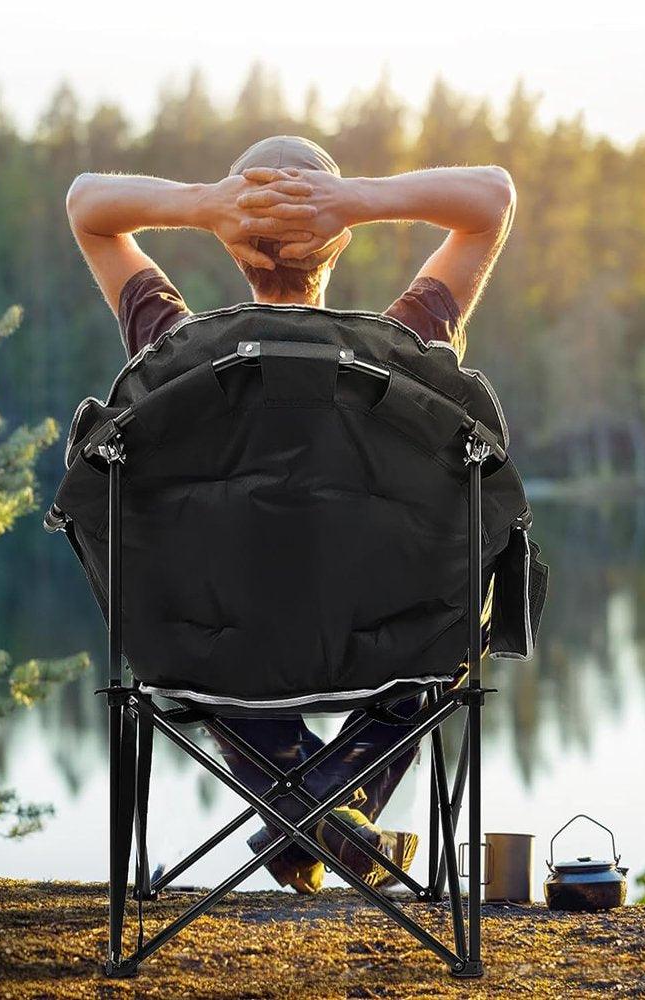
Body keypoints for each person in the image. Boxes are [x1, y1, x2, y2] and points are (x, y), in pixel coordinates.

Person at [66, 136, 515, 894]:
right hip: (387, 649)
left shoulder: (175, 358)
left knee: (199, 622)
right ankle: (338, 797)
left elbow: (86, 204)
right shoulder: (404, 356)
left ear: (237, 247)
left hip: (210, 652)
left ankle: (297, 798)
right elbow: (494, 198)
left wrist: (208, 204)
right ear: (338, 244)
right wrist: (359, 200)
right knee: (455, 622)